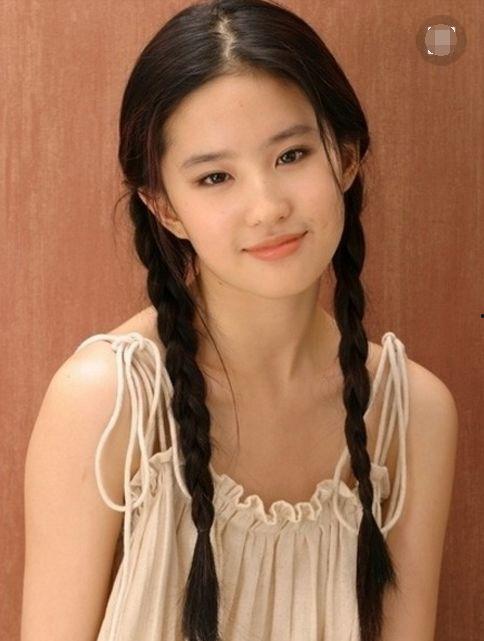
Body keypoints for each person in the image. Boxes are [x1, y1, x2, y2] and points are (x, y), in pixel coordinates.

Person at [22, 1, 459, 640]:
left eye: (291, 155)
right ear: (165, 207)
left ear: (346, 156)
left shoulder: (410, 414)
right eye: (215, 177)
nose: (266, 207)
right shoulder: (109, 401)